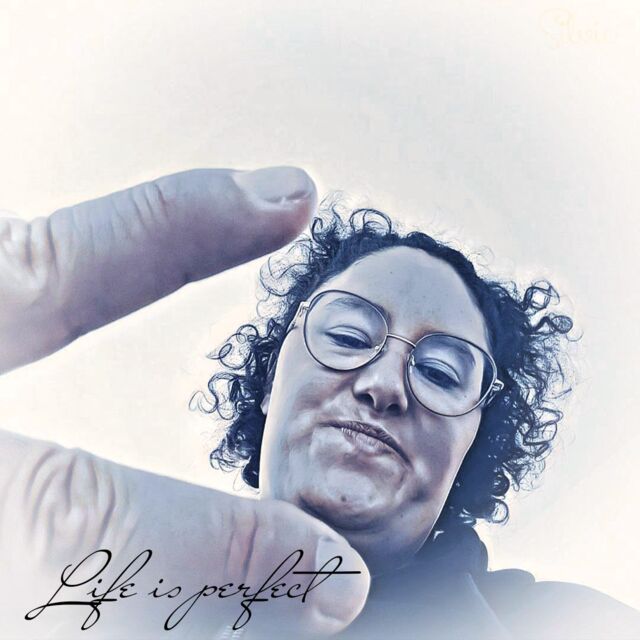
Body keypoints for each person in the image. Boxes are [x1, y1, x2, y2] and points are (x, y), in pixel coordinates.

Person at [0, 166, 637, 639]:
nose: (384, 384)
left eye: (442, 373)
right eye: (348, 337)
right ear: (269, 382)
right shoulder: (85, 611)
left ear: (471, 448)